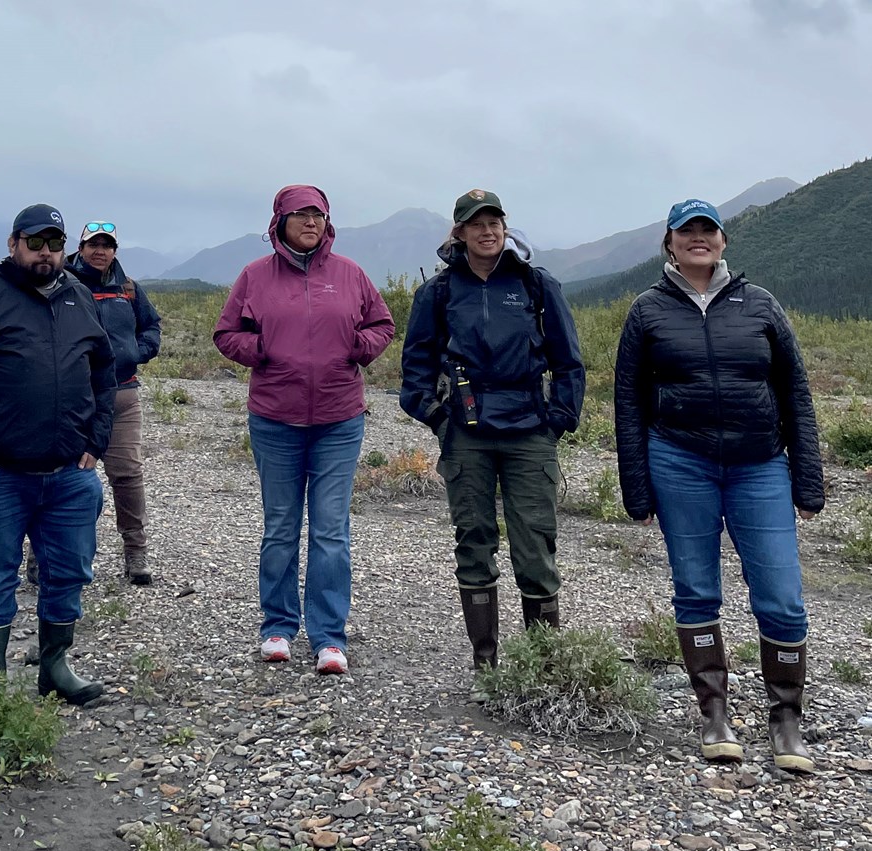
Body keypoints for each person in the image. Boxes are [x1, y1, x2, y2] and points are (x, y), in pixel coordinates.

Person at [614, 198, 823, 773]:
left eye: (709, 230)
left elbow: (796, 393)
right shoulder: (647, 311)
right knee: (697, 590)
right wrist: (637, 488)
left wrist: (807, 480)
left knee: (782, 597)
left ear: (724, 241)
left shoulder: (761, 305)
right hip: (680, 463)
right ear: (670, 243)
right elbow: (628, 404)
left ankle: (785, 720)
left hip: (760, 467)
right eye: (688, 231)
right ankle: (715, 714)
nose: (699, 239)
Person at [0, 204, 114, 704]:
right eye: (36, 243)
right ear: (14, 244)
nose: (46, 253)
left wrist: (97, 441)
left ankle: (55, 666)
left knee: (69, 571)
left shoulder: (79, 296)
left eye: (54, 244)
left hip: (70, 476)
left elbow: (104, 371)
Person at [400, 189, 584, 691]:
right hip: (467, 437)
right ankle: (487, 668)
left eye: (495, 221)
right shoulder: (437, 293)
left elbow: (569, 361)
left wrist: (558, 419)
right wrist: (440, 419)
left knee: (536, 546)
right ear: (458, 233)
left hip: (530, 434)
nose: (487, 231)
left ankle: (544, 670)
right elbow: (414, 371)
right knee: (474, 542)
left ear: (505, 227)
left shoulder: (536, 285)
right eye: (475, 224)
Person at [213, 185, 394, 675]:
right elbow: (226, 334)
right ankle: (276, 627)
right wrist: (263, 351)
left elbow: (382, 323)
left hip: (339, 419)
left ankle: (329, 637)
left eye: (318, 214)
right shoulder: (255, 276)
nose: (311, 222)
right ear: (280, 221)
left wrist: (357, 348)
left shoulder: (350, 274)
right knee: (280, 528)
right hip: (275, 420)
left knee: (331, 530)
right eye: (301, 215)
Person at [65, 221, 162, 584]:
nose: (100, 251)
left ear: (115, 251)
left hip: (122, 393)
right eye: (94, 244)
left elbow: (151, 325)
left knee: (127, 475)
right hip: (73, 397)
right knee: (63, 475)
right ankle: (46, 554)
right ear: (81, 247)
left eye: (107, 245)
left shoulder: (129, 289)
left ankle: (135, 551)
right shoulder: (62, 284)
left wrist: (140, 350)